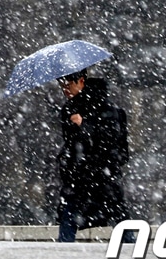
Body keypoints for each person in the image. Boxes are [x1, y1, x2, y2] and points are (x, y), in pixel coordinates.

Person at [55, 69, 131, 243]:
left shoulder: (109, 109)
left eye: (68, 84)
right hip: (79, 180)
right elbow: (73, 145)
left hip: (103, 179)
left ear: (81, 81)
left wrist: (85, 126)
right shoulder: (69, 110)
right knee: (68, 220)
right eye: (62, 85)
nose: (65, 89)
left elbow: (111, 143)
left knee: (121, 222)